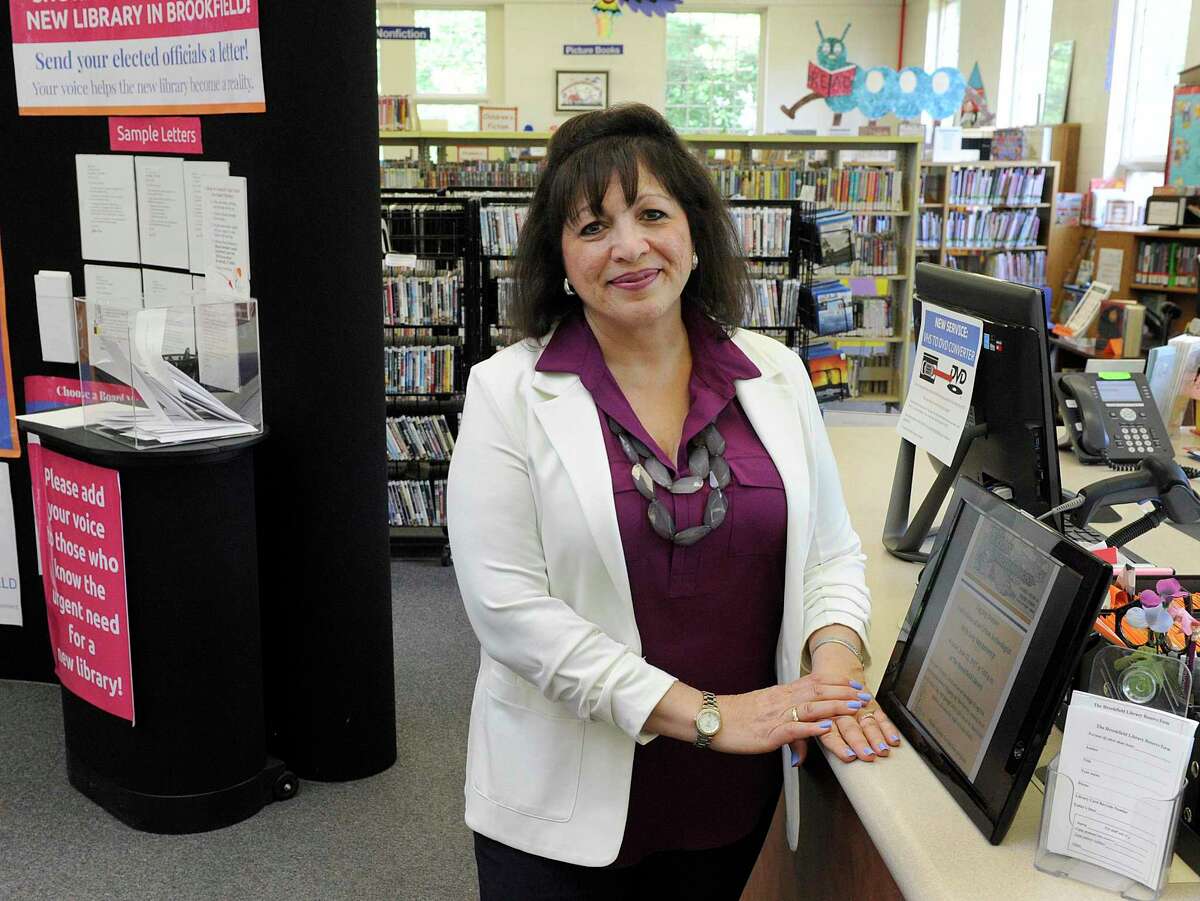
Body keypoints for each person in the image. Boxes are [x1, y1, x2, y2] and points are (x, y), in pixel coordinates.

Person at [447, 103, 899, 900]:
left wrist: (833, 671)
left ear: (694, 232)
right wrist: (711, 717)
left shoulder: (776, 374)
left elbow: (830, 552)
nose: (628, 247)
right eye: (592, 227)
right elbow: (510, 610)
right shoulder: (506, 392)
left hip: (732, 794)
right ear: (559, 256)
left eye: (652, 213)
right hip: (562, 806)